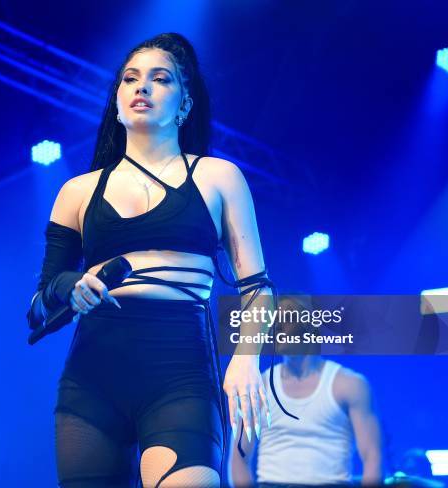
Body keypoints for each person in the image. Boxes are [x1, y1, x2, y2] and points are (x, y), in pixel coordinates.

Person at [27, 33, 275, 488]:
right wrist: (71, 286)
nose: (142, 87)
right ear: (118, 101)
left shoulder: (219, 177)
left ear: (184, 105)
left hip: (181, 374)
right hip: (91, 382)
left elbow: (257, 287)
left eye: (160, 79)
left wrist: (245, 359)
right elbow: (38, 307)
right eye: (130, 79)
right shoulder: (77, 192)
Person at [230, 295, 383, 487]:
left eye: (286, 319)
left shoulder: (349, 385)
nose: (277, 327)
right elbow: (238, 458)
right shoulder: (258, 385)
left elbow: (373, 456)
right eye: (273, 321)